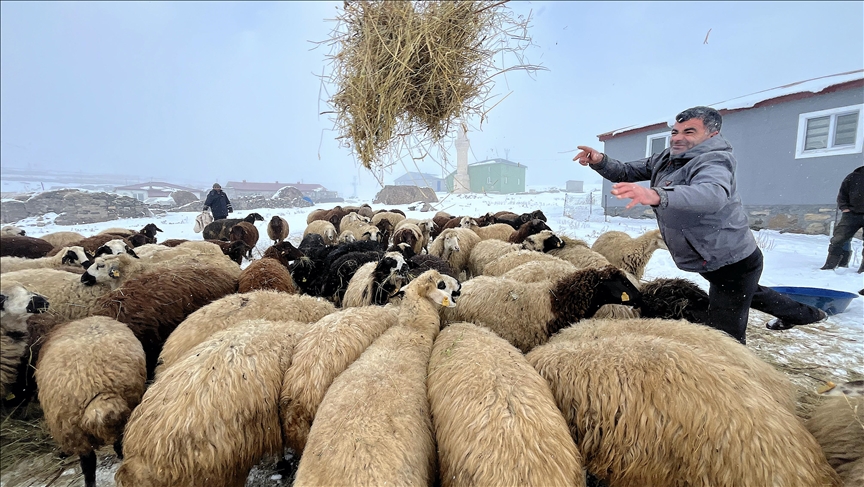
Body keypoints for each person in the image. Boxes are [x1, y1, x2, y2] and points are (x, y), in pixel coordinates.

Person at [573, 106, 826, 344]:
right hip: (708, 256)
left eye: (689, 131)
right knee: (748, 293)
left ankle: (735, 377)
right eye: (675, 131)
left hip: (731, 259)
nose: (677, 137)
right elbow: (626, 171)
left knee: (725, 334)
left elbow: (711, 194)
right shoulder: (668, 158)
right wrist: (600, 160)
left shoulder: (714, 161)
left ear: (712, 134)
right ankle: (805, 315)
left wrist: (659, 195)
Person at [820, 166, 863, 273]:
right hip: (852, 214)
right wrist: (844, 208)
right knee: (838, 239)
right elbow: (842, 194)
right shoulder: (853, 177)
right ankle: (831, 265)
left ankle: (863, 271)